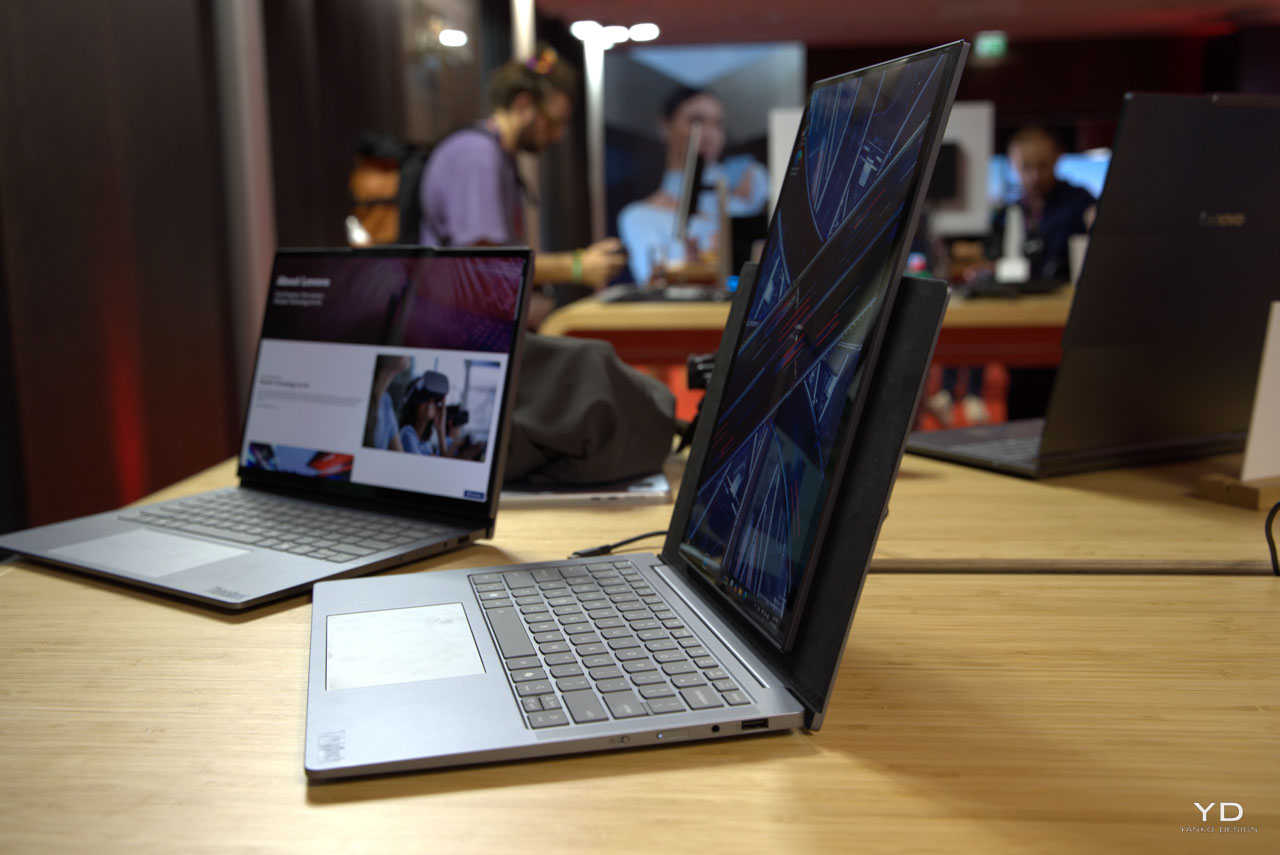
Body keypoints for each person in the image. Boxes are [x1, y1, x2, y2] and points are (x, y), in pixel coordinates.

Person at [418, 47, 625, 327]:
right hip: (454, 329)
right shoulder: (477, 156)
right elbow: (486, 265)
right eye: (554, 122)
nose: (558, 135)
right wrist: (577, 266)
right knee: (590, 349)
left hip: (470, 324)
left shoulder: (497, 155)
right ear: (523, 105)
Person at [617, 86, 768, 286]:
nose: (709, 134)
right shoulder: (640, 217)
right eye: (696, 121)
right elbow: (655, 283)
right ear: (665, 126)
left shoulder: (748, 185)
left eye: (718, 124)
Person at [995, 125, 1097, 281]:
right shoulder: (1011, 212)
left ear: (1056, 159)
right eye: (1026, 167)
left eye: (1042, 165)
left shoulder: (1079, 201)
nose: (1035, 176)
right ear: (1013, 165)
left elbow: (1099, 225)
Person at [398, 370, 450, 456]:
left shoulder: (426, 443)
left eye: (435, 400)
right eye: (425, 398)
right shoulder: (407, 433)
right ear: (414, 403)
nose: (430, 403)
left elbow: (443, 462)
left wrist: (441, 430)